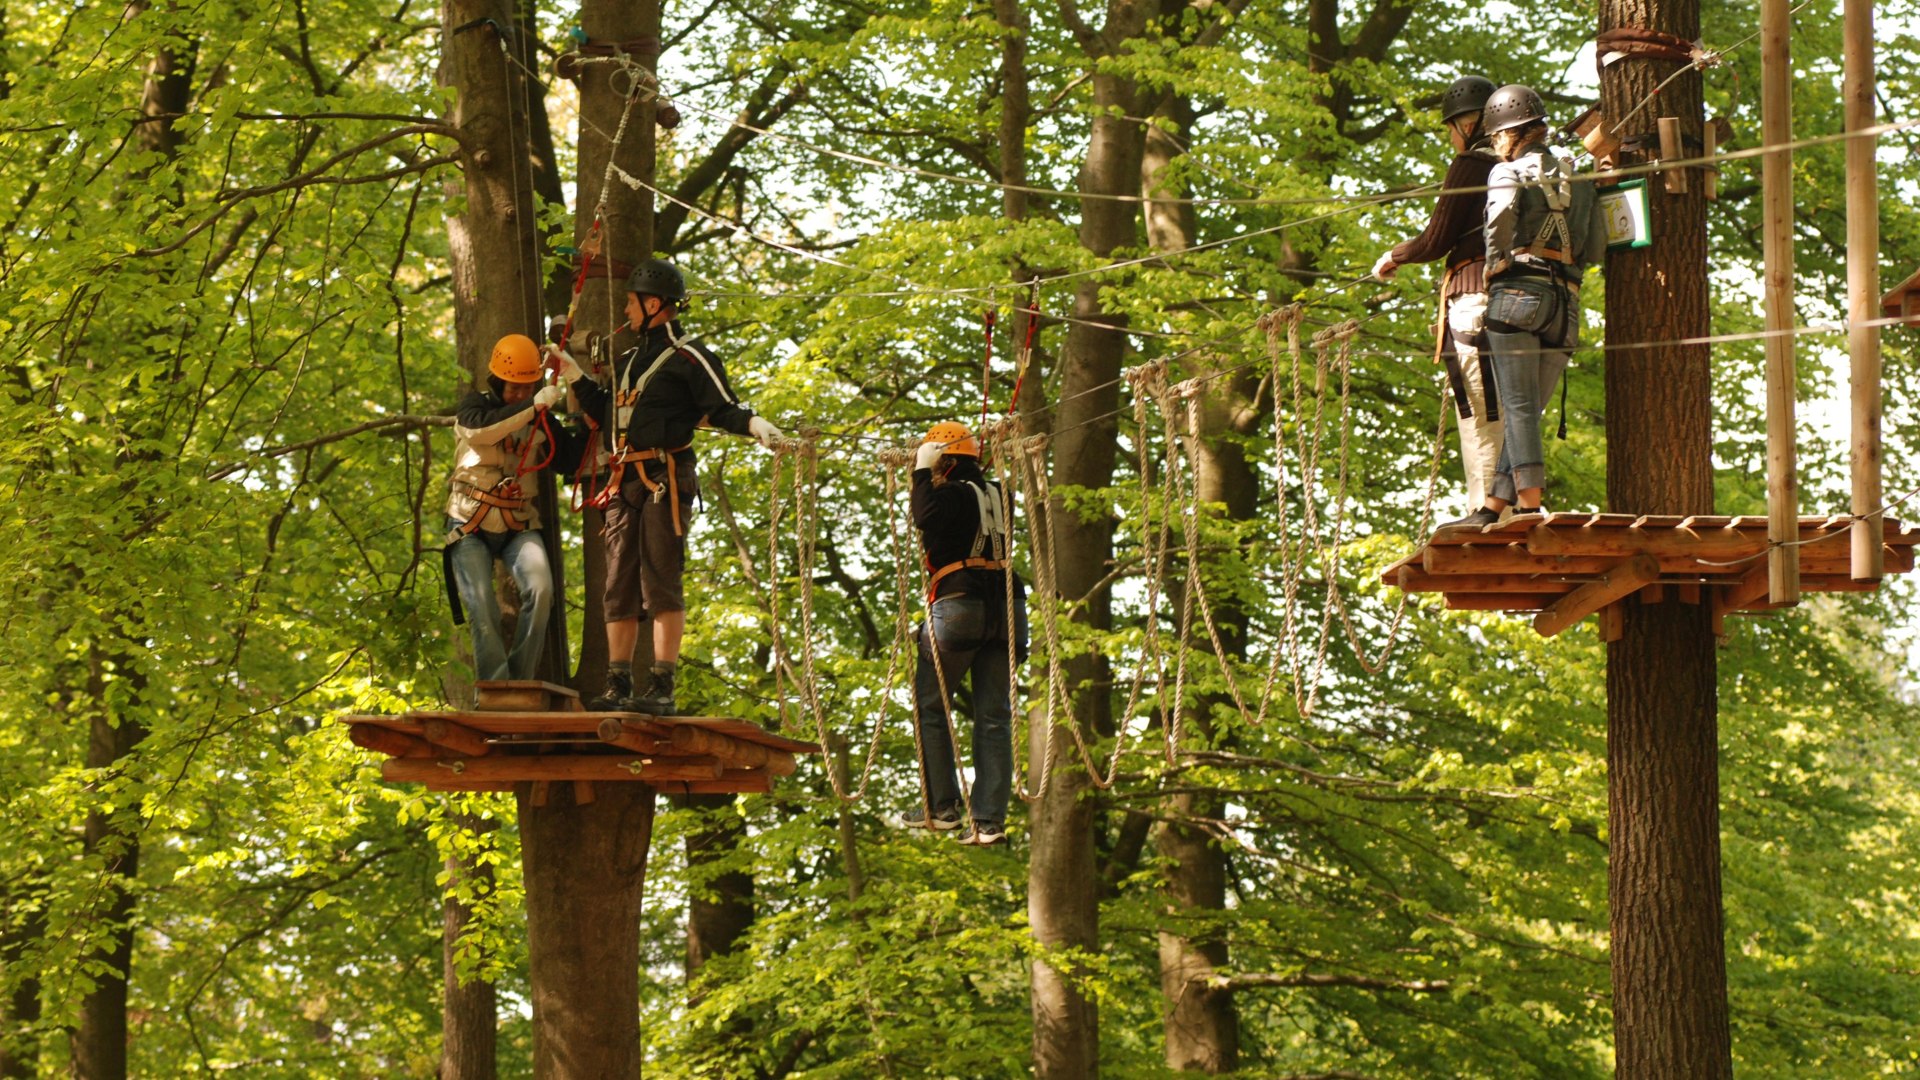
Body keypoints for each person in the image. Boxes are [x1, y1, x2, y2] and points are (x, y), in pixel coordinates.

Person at [562, 259, 783, 715]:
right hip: (623, 481)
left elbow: (722, 407)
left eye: (631, 301)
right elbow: (607, 412)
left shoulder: (689, 355)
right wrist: (571, 374)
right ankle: (617, 682)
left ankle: (662, 683)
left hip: (664, 478)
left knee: (661, 579)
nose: (625, 308)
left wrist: (754, 423)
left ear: (654, 304)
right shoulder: (626, 360)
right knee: (618, 584)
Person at [1453, 84, 1607, 527]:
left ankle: (1531, 506)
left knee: (1517, 409)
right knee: (1528, 414)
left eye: (1497, 136)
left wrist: (1496, 264)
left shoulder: (1508, 172)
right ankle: (1491, 508)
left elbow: (1499, 220)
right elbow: (1595, 248)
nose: (1497, 145)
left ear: (1511, 134)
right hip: (1567, 307)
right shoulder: (1577, 176)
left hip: (1518, 295)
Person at [1373, 75, 1506, 524]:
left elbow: (1436, 238)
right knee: (1500, 412)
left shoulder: (1472, 165)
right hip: (1520, 304)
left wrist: (1394, 256)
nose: (1452, 138)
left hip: (1475, 302)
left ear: (1469, 123)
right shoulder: (1519, 168)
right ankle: (1494, 509)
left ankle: (1488, 515)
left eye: (1452, 127)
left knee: (1482, 415)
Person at [903, 421, 1022, 847]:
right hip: (1007, 610)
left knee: (931, 708)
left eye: (936, 465)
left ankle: (942, 807)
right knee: (994, 717)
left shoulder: (948, 494)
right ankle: (989, 820)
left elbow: (924, 515)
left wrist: (920, 471)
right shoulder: (1000, 494)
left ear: (946, 462)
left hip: (959, 606)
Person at [443, 334, 584, 683]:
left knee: (541, 590)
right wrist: (532, 406)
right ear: (498, 381)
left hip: (517, 525)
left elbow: (570, 459)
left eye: (526, 388)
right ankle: (495, 687)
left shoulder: (539, 415)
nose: (520, 394)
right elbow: (481, 432)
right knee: (482, 607)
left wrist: (576, 381)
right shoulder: (474, 407)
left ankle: (519, 683)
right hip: (469, 521)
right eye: (513, 388)